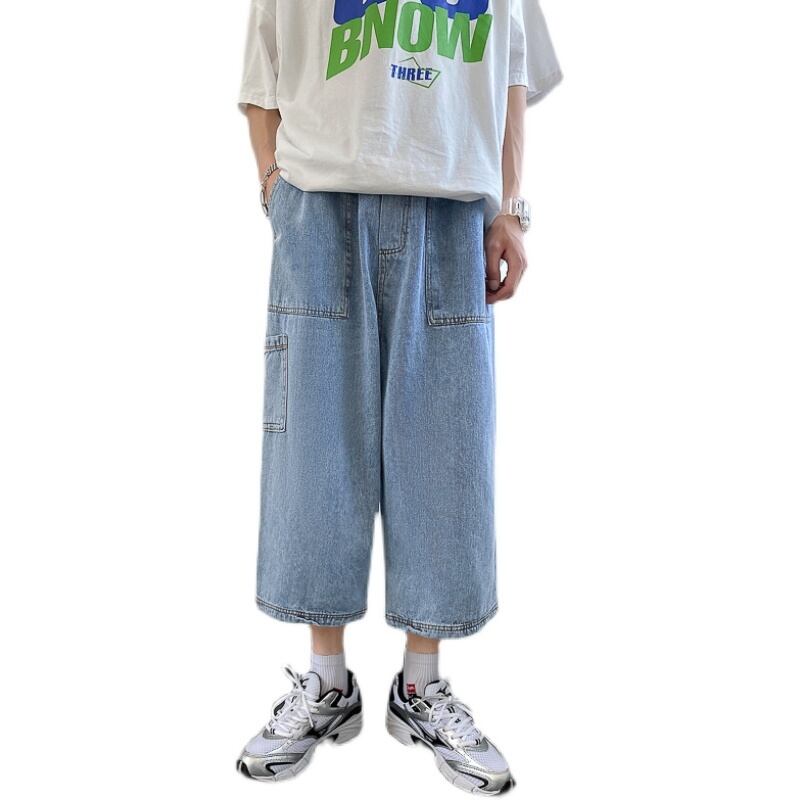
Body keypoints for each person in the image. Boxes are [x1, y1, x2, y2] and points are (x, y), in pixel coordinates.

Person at [235, 0, 561, 793]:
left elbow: (513, 71)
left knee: (444, 456)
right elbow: (260, 77)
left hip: (450, 208)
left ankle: (420, 685)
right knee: (316, 451)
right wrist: (274, 185)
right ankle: (326, 682)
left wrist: (511, 208)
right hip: (321, 204)